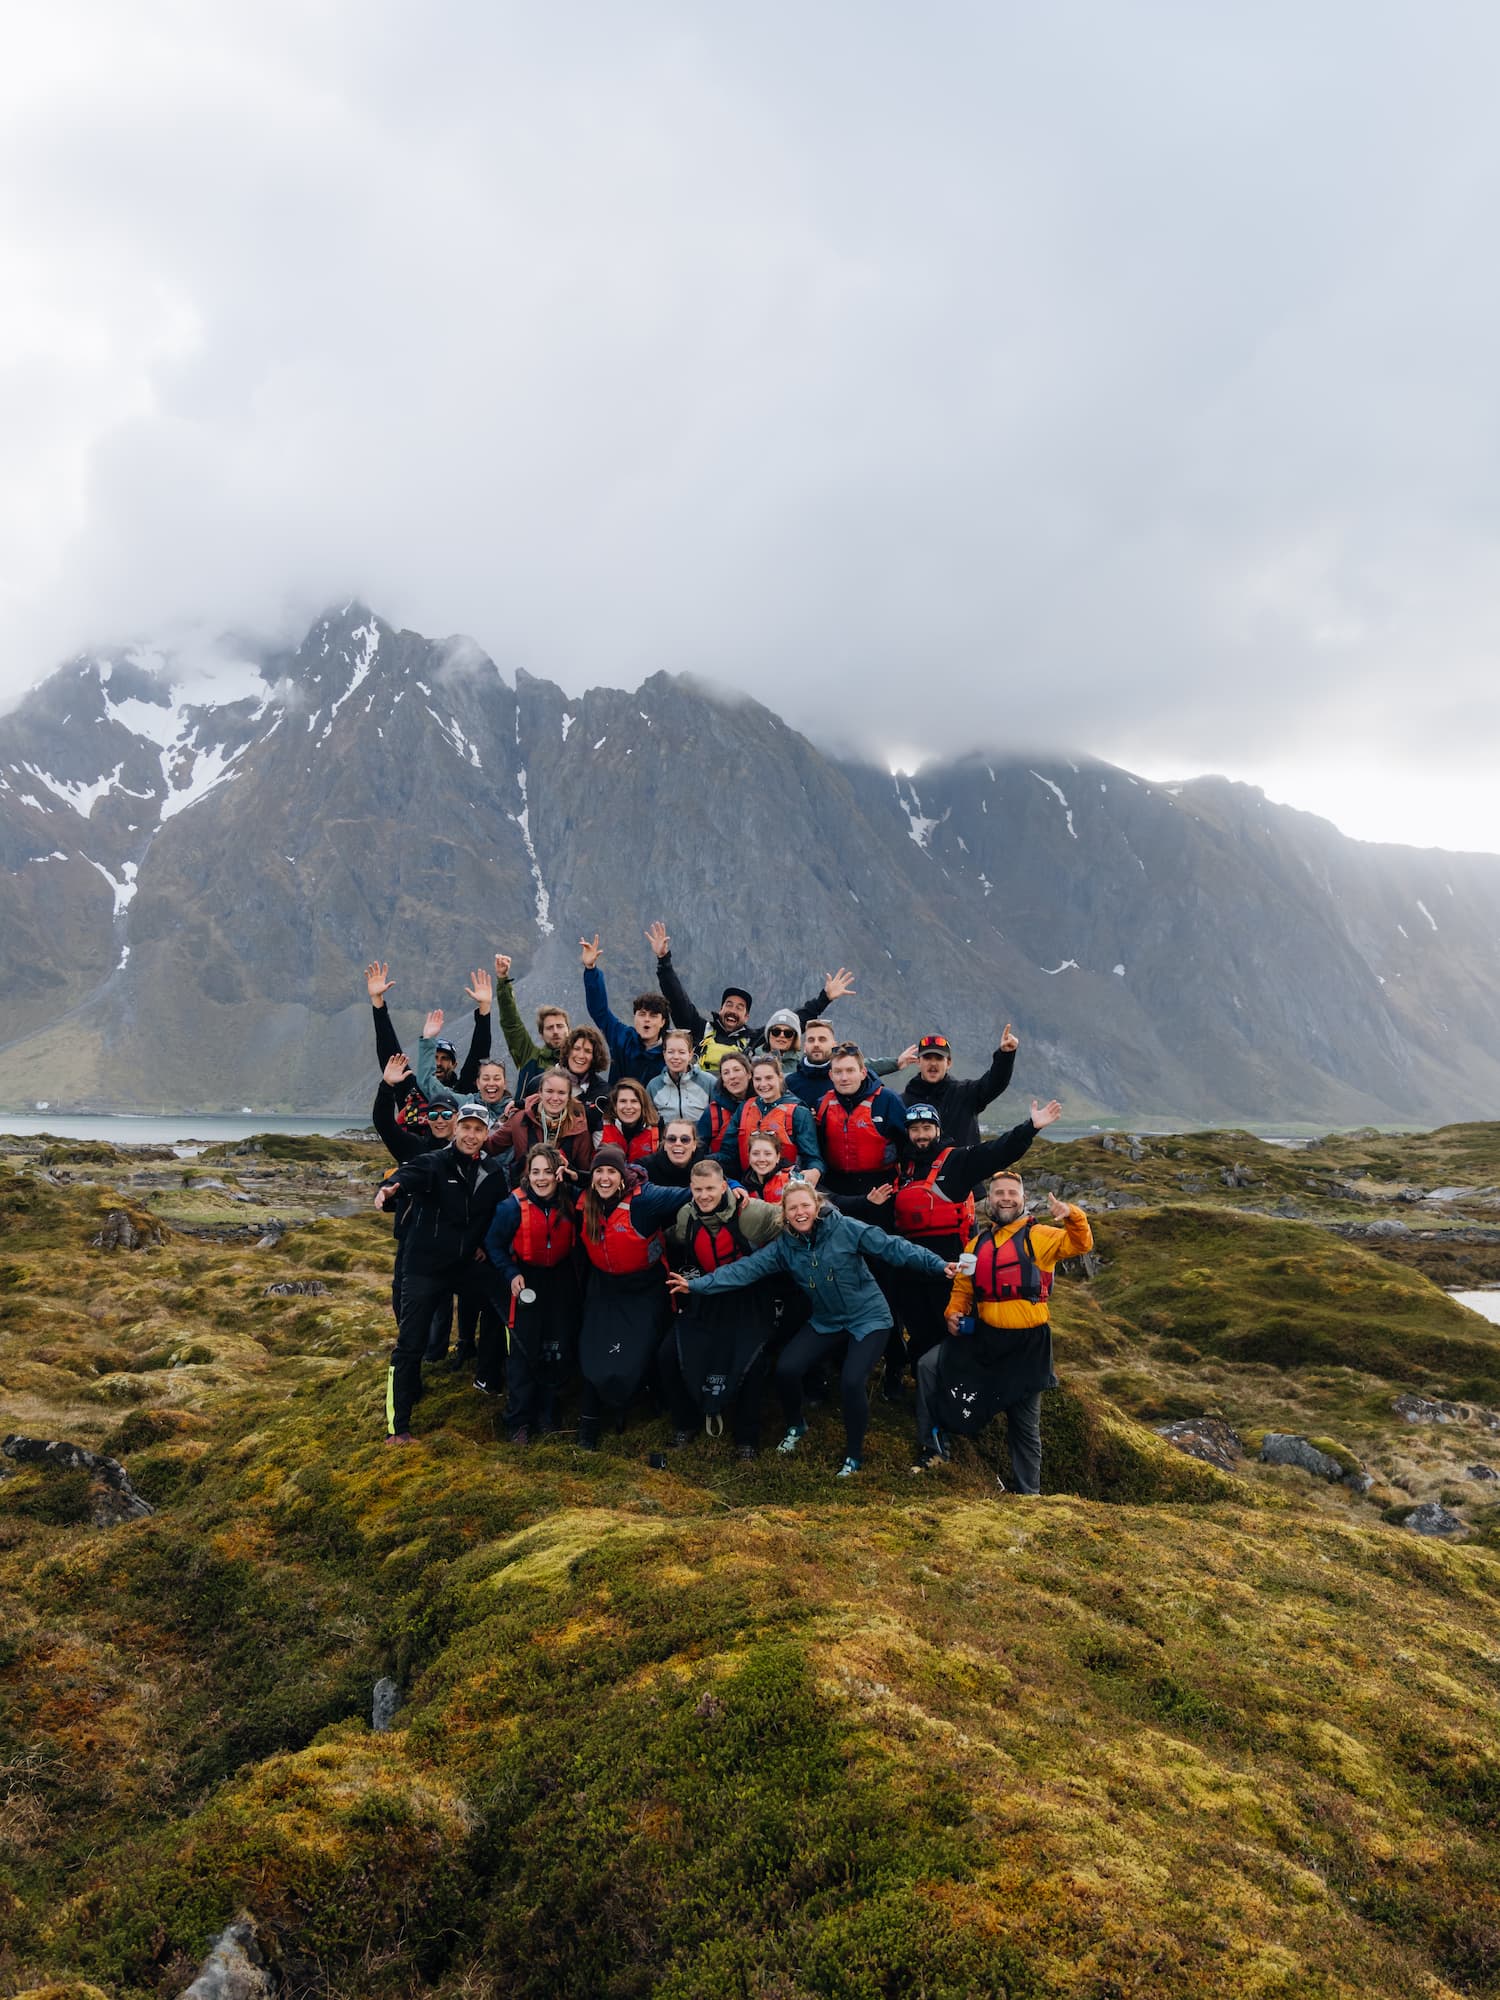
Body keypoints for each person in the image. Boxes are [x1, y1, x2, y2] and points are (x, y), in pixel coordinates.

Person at [673, 1182, 954, 1477]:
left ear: (817, 1206)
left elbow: (894, 1247)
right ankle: (797, 1425)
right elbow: (745, 1269)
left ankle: (854, 1455)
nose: (800, 1212)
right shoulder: (785, 1246)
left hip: (868, 1318)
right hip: (827, 1320)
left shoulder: (846, 1228)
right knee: (787, 1369)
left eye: (805, 1205)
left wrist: (936, 1265)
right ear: (784, 1214)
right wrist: (696, 1285)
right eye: (792, 1208)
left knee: (851, 1382)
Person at [844, 1098, 1063, 1397]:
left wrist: (1031, 1128)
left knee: (950, 1333)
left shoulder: (957, 1161)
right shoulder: (900, 1170)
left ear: (937, 1129)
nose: (921, 1135)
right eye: (915, 1130)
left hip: (950, 1269)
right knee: (917, 1332)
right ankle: (922, 1393)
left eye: (926, 1128)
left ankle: (956, 1395)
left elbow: (996, 1152)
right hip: (909, 1268)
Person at [916, 1172, 1094, 1489]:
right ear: (990, 1200)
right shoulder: (976, 1243)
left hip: (1027, 1345)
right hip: (983, 1338)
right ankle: (933, 1450)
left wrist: (1072, 1215)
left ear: (1023, 1199)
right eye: (999, 1193)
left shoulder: (1040, 1236)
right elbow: (963, 1289)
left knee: (1024, 1424)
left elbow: (1081, 1243)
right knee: (928, 1365)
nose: (1006, 1197)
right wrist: (953, 1314)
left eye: (1013, 1192)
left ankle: (1029, 1494)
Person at [374, 1101, 510, 1443]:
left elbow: (497, 1215)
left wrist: (483, 1244)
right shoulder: (435, 1162)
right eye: (465, 1127)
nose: (471, 1135)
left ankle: (489, 1379)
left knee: (502, 1303)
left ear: (486, 1133)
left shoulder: (493, 1174)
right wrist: (391, 1190)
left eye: (479, 1129)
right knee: (410, 1344)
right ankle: (397, 1428)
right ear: (455, 1130)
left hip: (465, 1266)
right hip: (424, 1267)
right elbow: (408, 1176)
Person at [659, 1160, 783, 1456]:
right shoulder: (686, 1215)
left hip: (748, 1298)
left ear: (725, 1186)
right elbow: (673, 1238)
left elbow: (791, 1216)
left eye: (711, 1189)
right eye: (698, 1190)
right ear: (690, 1189)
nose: (704, 1195)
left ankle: (747, 1439)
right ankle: (685, 1423)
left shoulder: (752, 1212)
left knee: (751, 1363)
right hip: (705, 1297)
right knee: (668, 1355)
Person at [575, 1146, 692, 1447]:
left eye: (611, 1172)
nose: (604, 1178)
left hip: (644, 1285)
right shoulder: (586, 1198)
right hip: (605, 1286)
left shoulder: (646, 1200)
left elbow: (690, 1192)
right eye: (599, 1171)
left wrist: (731, 1186)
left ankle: (647, 1398)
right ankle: (589, 1420)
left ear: (623, 1176)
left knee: (640, 1348)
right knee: (593, 1346)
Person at [643, 920, 855, 1073]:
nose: (733, 1010)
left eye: (740, 1007)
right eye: (729, 1004)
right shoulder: (698, 1030)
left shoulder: (755, 1040)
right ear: (721, 1009)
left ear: (746, 1017)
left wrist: (825, 997)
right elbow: (677, 998)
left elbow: (792, 1021)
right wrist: (664, 960)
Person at [482, 1143, 583, 1442]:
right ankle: (518, 1421)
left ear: (558, 1174)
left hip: (561, 1279)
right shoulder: (512, 1206)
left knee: (556, 1348)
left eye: (548, 1172)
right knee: (524, 1353)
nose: (541, 1178)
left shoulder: (573, 1200)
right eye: (535, 1171)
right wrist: (511, 1273)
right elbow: (494, 1245)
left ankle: (547, 1413)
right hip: (526, 1280)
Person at [813, 1043, 911, 1197]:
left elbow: (907, 1145)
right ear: (831, 1075)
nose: (844, 1078)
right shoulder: (822, 1104)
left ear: (863, 1072)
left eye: (850, 1071)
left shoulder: (887, 1100)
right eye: (838, 1072)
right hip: (837, 1190)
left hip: (882, 1188)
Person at [900, 1027, 1019, 1149]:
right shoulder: (901, 1102)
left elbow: (995, 1083)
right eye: (927, 1058)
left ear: (949, 1063)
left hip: (963, 1167)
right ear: (918, 1061)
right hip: (919, 1168)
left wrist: (1006, 1055)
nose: (933, 1063)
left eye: (939, 1058)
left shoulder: (966, 1093)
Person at [581, 934, 670, 1085]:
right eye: (642, 1014)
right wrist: (591, 970)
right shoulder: (622, 1037)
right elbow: (599, 1010)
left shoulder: (671, 1053)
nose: (646, 1019)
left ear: (663, 1022)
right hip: (618, 1107)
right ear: (634, 1017)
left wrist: (664, 959)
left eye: (653, 1015)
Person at [716, 1056, 824, 1181]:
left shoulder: (798, 1112)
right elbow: (727, 1153)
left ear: (780, 1077)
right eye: (758, 1079)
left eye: (769, 1078)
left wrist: (815, 1171)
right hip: (750, 1185)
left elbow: (813, 1158)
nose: (763, 1084)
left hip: (785, 1187)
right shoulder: (744, 1108)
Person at [487, 1065, 595, 1187]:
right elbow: (491, 1146)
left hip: (561, 1196)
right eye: (549, 1091)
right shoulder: (520, 1118)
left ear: (569, 1096)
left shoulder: (579, 1128)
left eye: (561, 1093)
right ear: (540, 1093)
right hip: (525, 1192)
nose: (555, 1098)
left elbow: (584, 1173)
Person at [492, 951, 571, 1100]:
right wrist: (503, 981)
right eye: (549, 1027)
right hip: (528, 1121)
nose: (555, 1031)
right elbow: (511, 1024)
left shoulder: (579, 1063)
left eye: (560, 1026)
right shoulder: (530, 1057)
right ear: (541, 1034)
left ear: (569, 1030)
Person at [414, 967, 495, 1100]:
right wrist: (378, 1002)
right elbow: (390, 1052)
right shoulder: (413, 1092)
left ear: (454, 1065)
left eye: (445, 1058)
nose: (438, 1063)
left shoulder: (463, 1090)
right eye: (434, 1057)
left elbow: (478, 1051)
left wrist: (484, 1009)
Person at [785, 1018, 902, 1108]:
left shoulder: (850, 1081)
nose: (816, 1044)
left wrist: (896, 1063)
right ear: (804, 1046)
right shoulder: (789, 1083)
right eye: (811, 1040)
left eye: (822, 1039)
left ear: (834, 1045)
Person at [648, 1029, 715, 1125]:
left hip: (700, 1139)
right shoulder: (653, 1086)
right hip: (667, 1139)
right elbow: (649, 1123)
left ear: (690, 1055)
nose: (676, 1057)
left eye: (682, 1052)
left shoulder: (708, 1082)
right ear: (664, 1054)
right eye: (670, 1052)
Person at [698, 1050, 754, 1153]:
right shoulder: (713, 1112)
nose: (732, 1076)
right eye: (726, 1073)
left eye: (736, 1070)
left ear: (749, 1074)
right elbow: (699, 1147)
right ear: (723, 1082)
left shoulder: (764, 1104)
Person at [599, 1079, 660, 1164]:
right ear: (615, 1106)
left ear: (642, 1105)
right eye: (623, 1101)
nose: (628, 1107)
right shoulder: (600, 1130)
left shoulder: (657, 1132)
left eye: (634, 1101)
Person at [560, 1024, 611, 1115]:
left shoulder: (603, 1092)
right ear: (568, 1051)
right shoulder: (542, 1083)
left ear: (595, 1057)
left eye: (588, 1051)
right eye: (576, 1048)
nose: (581, 1055)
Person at [645, 1118, 703, 1188]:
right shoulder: (645, 1167)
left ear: (694, 1145)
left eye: (685, 1139)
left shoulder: (707, 1167)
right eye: (671, 1139)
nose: (678, 1143)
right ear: (665, 1144)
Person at [741, 1128, 794, 1203]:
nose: (761, 1159)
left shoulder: (793, 1180)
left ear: (778, 1157)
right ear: (749, 1156)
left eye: (768, 1154)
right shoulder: (743, 1188)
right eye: (755, 1154)